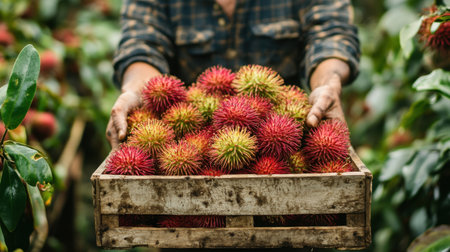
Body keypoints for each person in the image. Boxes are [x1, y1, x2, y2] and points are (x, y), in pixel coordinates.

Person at [106, 0, 360, 148]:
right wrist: (137, 91)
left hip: (288, 135)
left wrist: (328, 84)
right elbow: (141, 44)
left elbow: (331, 34)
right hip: (188, 146)